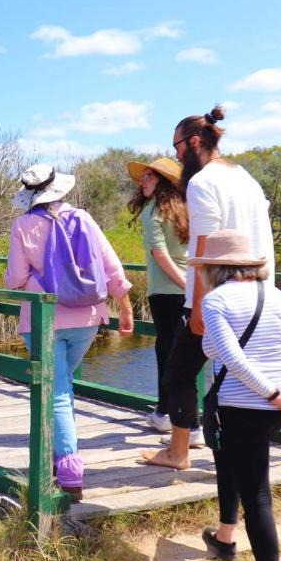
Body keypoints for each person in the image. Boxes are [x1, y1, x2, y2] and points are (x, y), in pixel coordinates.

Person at [142, 106, 275, 470]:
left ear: (195, 142)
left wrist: (197, 307)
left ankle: (179, 452)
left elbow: (203, 245)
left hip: (218, 295)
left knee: (180, 373)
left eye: (177, 147)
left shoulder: (202, 182)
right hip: (260, 292)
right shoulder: (245, 177)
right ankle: (247, 456)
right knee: (247, 375)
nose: (176, 155)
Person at [5, 164, 135, 501]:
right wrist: (124, 303)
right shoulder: (83, 218)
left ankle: (70, 471)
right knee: (63, 386)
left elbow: (16, 279)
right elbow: (110, 264)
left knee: (57, 391)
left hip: (45, 319)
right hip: (89, 316)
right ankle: (55, 455)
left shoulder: (23, 226)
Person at [193, 229, 281, 561]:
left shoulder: (217, 300)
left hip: (243, 405)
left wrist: (270, 392)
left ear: (214, 268)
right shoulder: (280, 298)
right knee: (232, 463)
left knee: (258, 498)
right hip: (277, 408)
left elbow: (230, 357)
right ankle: (224, 537)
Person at [126, 157, 188, 433]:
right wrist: (192, 286)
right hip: (188, 289)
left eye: (150, 176)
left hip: (166, 291)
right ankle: (185, 419)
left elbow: (160, 254)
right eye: (143, 177)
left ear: (162, 182)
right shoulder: (183, 210)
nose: (143, 181)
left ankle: (166, 413)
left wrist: (185, 285)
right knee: (186, 353)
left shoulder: (153, 212)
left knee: (167, 351)